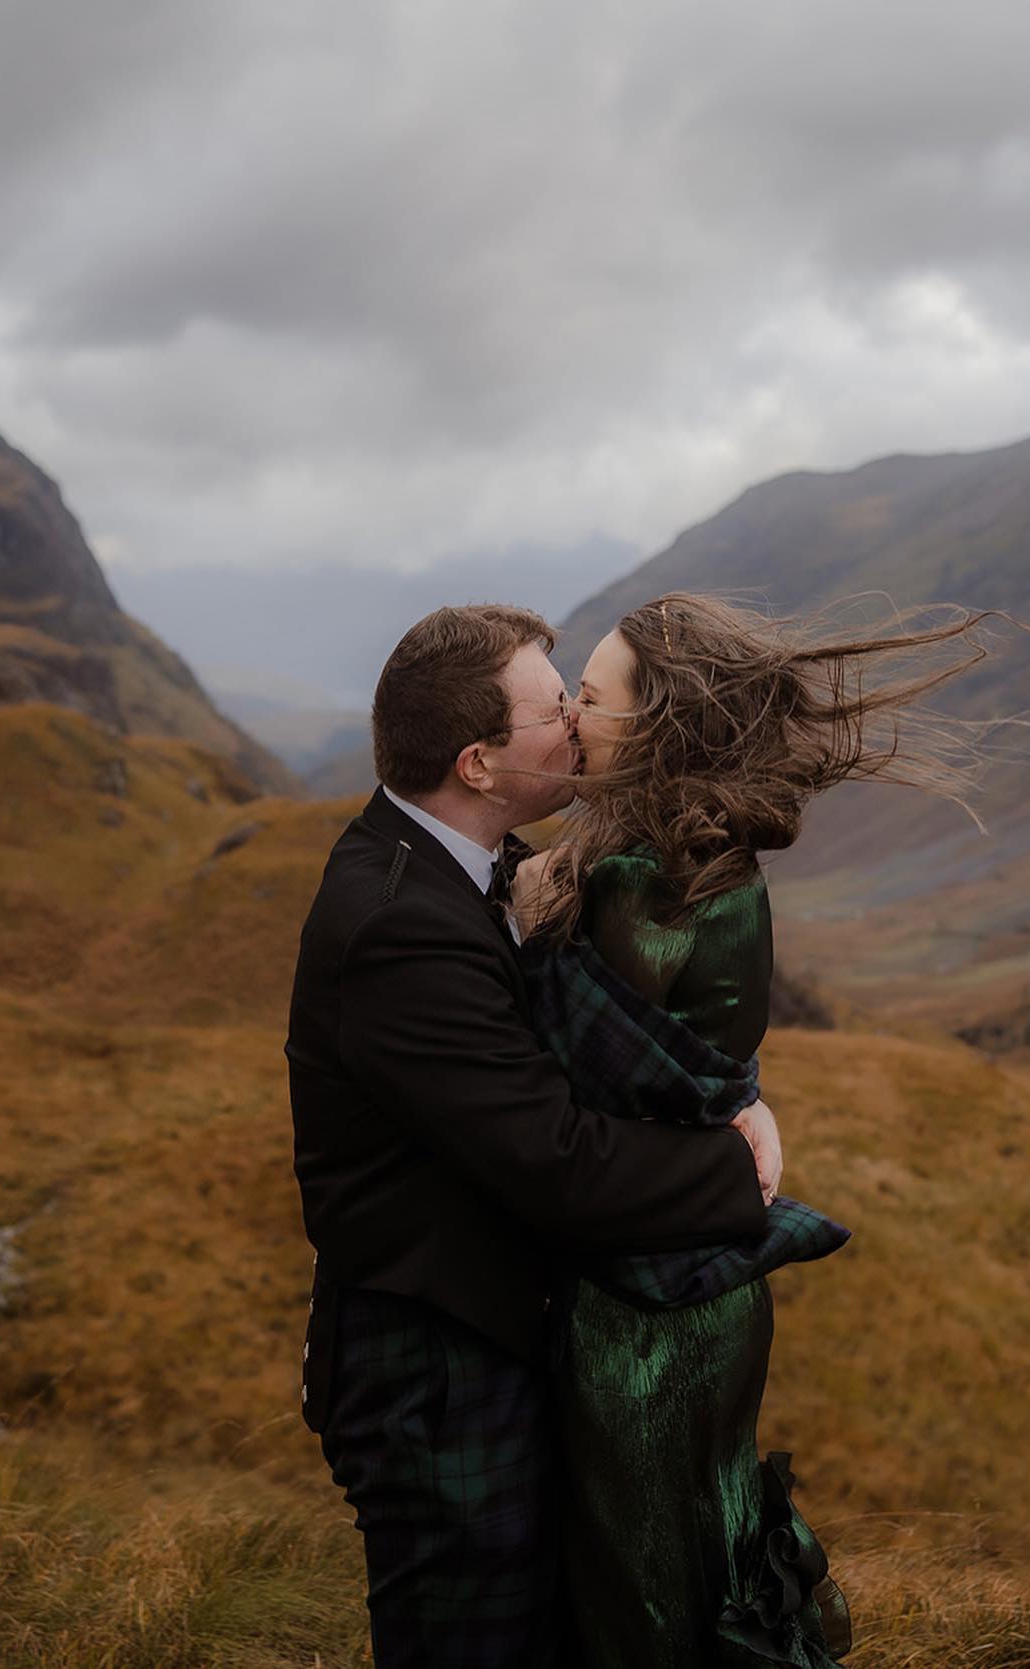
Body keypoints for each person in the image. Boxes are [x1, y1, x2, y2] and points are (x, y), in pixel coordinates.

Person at [285, 603, 784, 1669]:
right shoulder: (397, 929)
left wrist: (728, 1089)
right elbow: (553, 1158)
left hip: (480, 1342)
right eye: (556, 709)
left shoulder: (475, 868)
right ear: (478, 761)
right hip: (433, 1377)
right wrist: (736, 1171)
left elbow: (578, 1050)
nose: (577, 726)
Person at [513, 590, 1007, 1667]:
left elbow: (554, 1068)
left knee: (639, 1587)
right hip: (719, 1290)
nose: (572, 720)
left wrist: (523, 896)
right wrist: (742, 1099)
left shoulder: (636, 884)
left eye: (590, 700)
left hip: (639, 1313)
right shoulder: (720, 866)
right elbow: (695, 1065)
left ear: (658, 725)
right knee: (711, 1541)